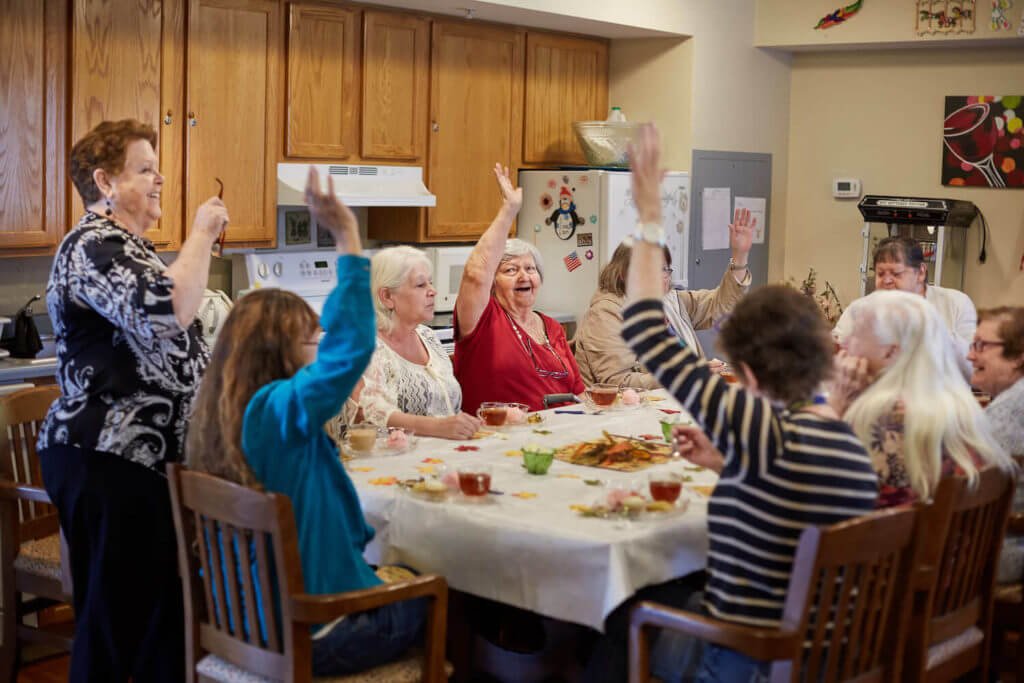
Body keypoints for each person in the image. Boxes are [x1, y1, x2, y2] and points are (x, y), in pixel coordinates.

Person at [587, 124, 878, 682]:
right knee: (672, 583)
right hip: (829, 651)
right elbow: (789, 485)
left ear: (744, 372)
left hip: (745, 659)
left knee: (618, 611)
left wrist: (649, 210)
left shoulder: (755, 422)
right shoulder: (839, 432)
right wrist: (728, 463)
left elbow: (647, 329)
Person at [187, 167, 426, 676]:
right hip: (316, 629)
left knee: (399, 572)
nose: (320, 351)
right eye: (311, 341)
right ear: (278, 351)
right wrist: (347, 236)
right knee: (448, 596)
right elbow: (352, 350)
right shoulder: (279, 409)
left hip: (249, 622)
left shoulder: (222, 411)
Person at [36, 119, 228, 682]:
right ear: (105, 182)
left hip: (145, 464)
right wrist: (202, 234)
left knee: (155, 622)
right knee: (117, 623)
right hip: (109, 460)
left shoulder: (130, 249)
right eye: (145, 169)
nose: (161, 177)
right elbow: (170, 310)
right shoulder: (94, 245)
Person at [829, 290, 1011, 508]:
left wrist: (835, 407)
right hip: (949, 540)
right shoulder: (962, 407)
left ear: (890, 352)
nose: (845, 343)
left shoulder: (884, 418)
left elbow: (819, 491)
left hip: (883, 540)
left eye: (855, 334)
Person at [454, 164, 585, 414]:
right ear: (492, 282)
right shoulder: (484, 320)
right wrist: (509, 211)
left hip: (562, 430)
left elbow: (578, 392)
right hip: (501, 437)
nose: (524, 276)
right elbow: (475, 274)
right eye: (511, 270)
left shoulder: (552, 327)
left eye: (530, 269)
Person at [574, 225, 752, 388]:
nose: (661, 277)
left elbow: (719, 306)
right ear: (622, 274)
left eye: (665, 269)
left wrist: (740, 258)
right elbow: (618, 383)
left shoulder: (670, 301)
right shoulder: (605, 314)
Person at [344, 245, 481, 439]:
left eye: (430, 283)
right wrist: (437, 427)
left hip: (438, 459)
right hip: (387, 462)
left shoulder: (428, 337)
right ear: (387, 297)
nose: (432, 291)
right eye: (420, 285)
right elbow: (367, 409)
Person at [833, 236, 976, 378]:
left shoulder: (956, 303)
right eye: (880, 274)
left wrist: (924, 323)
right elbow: (835, 354)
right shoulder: (859, 309)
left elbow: (972, 367)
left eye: (896, 274)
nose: (887, 281)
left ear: (920, 272)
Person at [967, 306, 1024, 583]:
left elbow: (967, 489)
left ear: (1017, 357)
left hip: (1003, 551)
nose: (970, 354)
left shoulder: (1009, 411)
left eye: (981, 345)